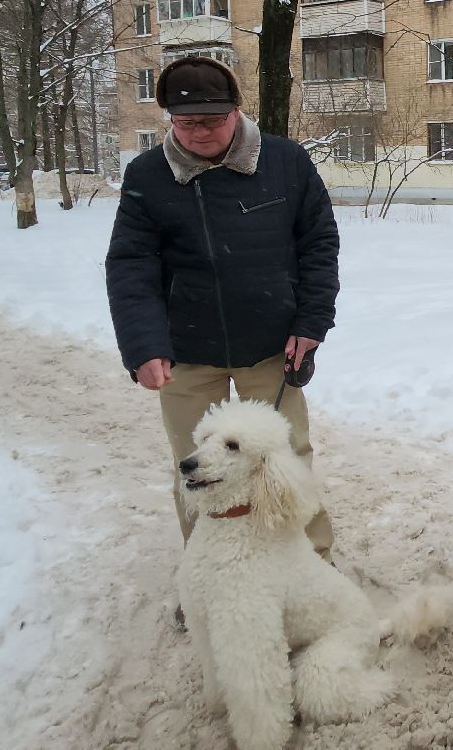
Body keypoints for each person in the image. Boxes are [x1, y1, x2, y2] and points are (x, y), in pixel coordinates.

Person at [105, 55, 340, 559]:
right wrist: (143, 345)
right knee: (196, 465)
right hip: (186, 350)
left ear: (236, 110)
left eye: (211, 120)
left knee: (287, 455)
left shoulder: (285, 161)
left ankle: (313, 562)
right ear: (169, 118)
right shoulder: (147, 175)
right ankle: (208, 573)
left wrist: (311, 323)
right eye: (187, 122)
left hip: (273, 346)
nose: (199, 132)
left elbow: (318, 245)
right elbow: (131, 264)